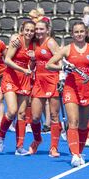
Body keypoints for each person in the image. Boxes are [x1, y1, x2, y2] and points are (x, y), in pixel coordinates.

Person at [46, 22, 89, 167]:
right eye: (76, 32)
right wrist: (63, 67)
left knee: (83, 125)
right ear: (72, 33)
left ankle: (79, 151)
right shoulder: (67, 49)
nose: (79, 34)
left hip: (87, 89)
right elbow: (49, 64)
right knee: (73, 121)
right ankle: (74, 154)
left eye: (82, 31)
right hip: (71, 88)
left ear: (86, 32)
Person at [0, 20, 35, 156]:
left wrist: (33, 61)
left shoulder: (34, 45)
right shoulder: (17, 41)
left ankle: (19, 147)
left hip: (24, 80)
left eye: (32, 30)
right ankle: (1, 136)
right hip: (11, 77)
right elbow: (7, 60)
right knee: (12, 111)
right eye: (27, 30)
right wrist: (23, 69)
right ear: (22, 30)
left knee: (22, 114)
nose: (29, 33)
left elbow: (34, 64)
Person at [29, 19, 62, 157]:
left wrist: (60, 78)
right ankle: (37, 139)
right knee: (35, 117)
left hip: (52, 79)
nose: (38, 31)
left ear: (47, 30)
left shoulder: (51, 42)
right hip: (39, 80)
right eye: (36, 29)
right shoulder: (34, 43)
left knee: (54, 116)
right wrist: (31, 60)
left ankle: (53, 147)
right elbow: (32, 65)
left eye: (41, 29)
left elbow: (61, 62)